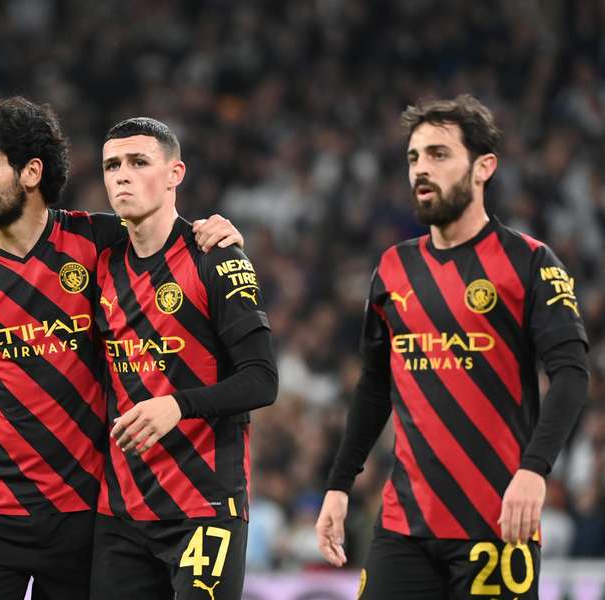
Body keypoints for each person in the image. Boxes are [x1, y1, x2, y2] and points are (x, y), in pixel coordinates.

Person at [0, 95, 243, 600]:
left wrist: (214, 230)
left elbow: (164, 234)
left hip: (83, 514)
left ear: (31, 172)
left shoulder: (99, 242)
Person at [315, 94, 590, 599]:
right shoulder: (393, 268)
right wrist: (339, 484)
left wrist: (534, 470)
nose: (421, 169)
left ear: (483, 167)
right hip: (403, 525)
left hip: (497, 521)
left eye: (439, 155)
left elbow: (572, 373)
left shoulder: (529, 262)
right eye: (414, 157)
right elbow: (375, 387)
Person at [89, 117, 278, 600]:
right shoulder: (101, 264)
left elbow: (261, 380)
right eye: (112, 165)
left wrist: (177, 405)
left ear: (175, 174)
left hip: (204, 507)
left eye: (138, 162)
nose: (122, 175)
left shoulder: (216, 257)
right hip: (121, 514)